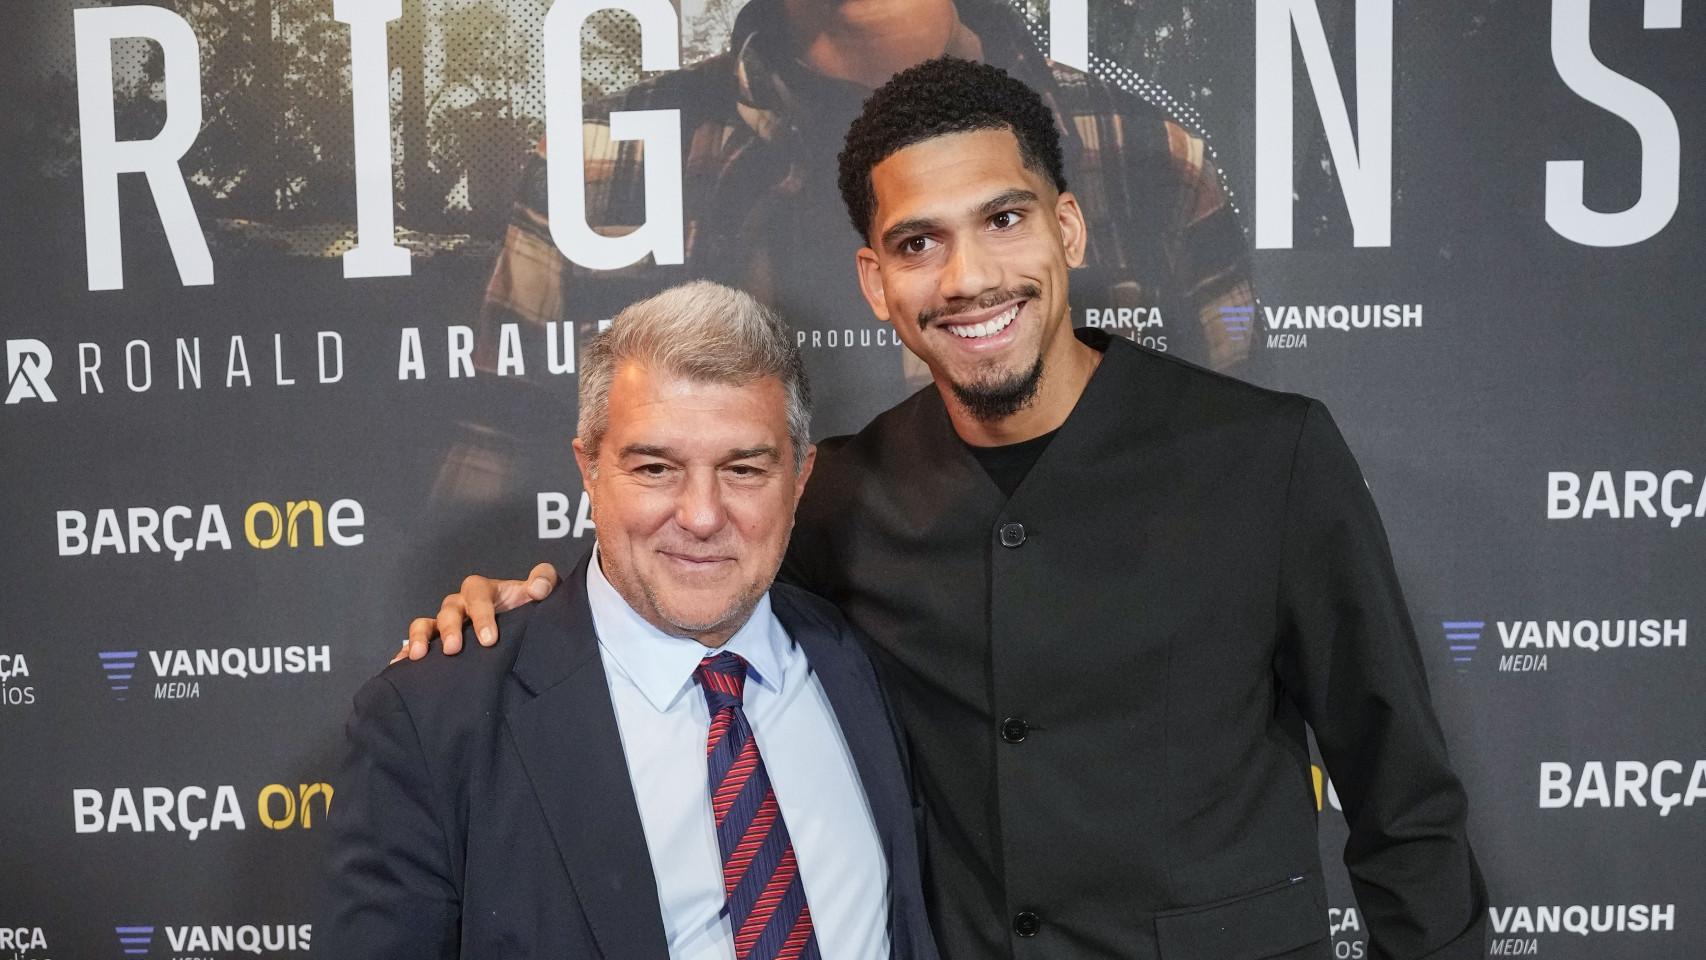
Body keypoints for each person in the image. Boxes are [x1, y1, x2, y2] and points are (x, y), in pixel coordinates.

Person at [407, 59, 1487, 959]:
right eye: (918, 244)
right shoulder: (836, 493)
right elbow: (684, 586)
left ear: (1067, 229)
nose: (968, 278)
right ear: (875, 282)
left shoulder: (1265, 456)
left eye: (1003, 219)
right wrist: (525, 610)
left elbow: (1404, 806)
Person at [318, 282, 938, 959]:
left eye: (743, 469)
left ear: (800, 478)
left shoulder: (858, 653)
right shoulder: (434, 720)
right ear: (589, 469)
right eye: (655, 468)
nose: (701, 516)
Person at [437, 0, 1255, 504]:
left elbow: (1246, 462)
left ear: (1064, 221)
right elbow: (493, 478)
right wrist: (490, 598)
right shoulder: (601, 159)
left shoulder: (1146, 153)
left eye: (1005, 220)